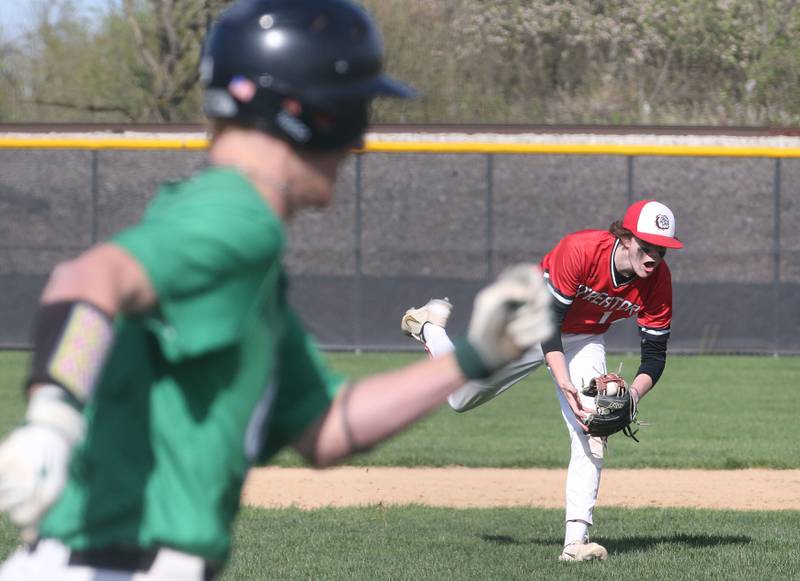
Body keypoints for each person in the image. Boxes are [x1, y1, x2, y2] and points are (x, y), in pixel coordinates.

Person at [0, 1, 554, 579]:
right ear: (303, 112)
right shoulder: (238, 215)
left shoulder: (244, 255)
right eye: (352, 111)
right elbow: (88, 279)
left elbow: (328, 427)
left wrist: (474, 355)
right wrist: (51, 422)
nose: (358, 140)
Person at [401, 199, 683, 562]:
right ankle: (429, 329)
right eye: (646, 246)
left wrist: (632, 394)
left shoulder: (659, 281)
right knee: (459, 398)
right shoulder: (581, 250)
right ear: (625, 238)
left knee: (591, 429)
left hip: (584, 337)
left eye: (662, 250)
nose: (653, 257)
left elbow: (655, 357)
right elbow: (549, 323)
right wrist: (564, 380)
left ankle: (575, 542)